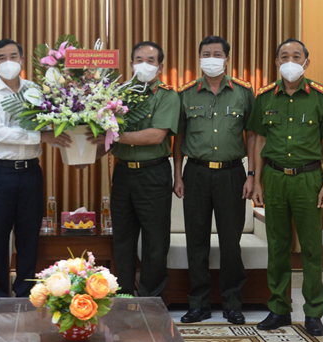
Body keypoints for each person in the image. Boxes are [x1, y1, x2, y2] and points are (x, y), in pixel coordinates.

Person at [248, 38, 323, 336]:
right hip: (275, 179)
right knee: (276, 248)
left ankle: (314, 312)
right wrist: (256, 180)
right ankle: (279, 309)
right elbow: (259, 140)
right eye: (284, 56)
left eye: (296, 55)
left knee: (312, 250)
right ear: (277, 62)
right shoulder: (264, 97)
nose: (290, 60)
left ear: (306, 61)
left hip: (309, 179)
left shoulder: (321, 95)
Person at [0, 39, 71, 324]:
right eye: (1, 56)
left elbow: (52, 123)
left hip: (31, 171)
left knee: (29, 239)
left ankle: (29, 297)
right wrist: (41, 137)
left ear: (22, 59)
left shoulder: (36, 90)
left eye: (13, 55)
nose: (8, 60)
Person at [173, 36, 255, 324]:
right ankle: (199, 303)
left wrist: (252, 175)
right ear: (199, 58)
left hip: (233, 174)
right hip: (195, 173)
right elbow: (179, 137)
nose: (211, 58)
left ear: (227, 59)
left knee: (231, 242)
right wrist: (177, 175)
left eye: (216, 54)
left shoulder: (244, 92)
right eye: (205, 54)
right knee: (197, 241)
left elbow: (254, 135)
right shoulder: (186, 93)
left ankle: (232, 302)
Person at [107, 41, 179, 297]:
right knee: (123, 239)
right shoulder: (116, 94)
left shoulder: (168, 95)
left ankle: (151, 298)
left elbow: (156, 136)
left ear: (160, 66)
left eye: (150, 61)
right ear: (131, 63)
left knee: (155, 242)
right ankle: (123, 295)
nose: (144, 65)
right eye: (139, 59)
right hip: (124, 172)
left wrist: (112, 136)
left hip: (153, 173)